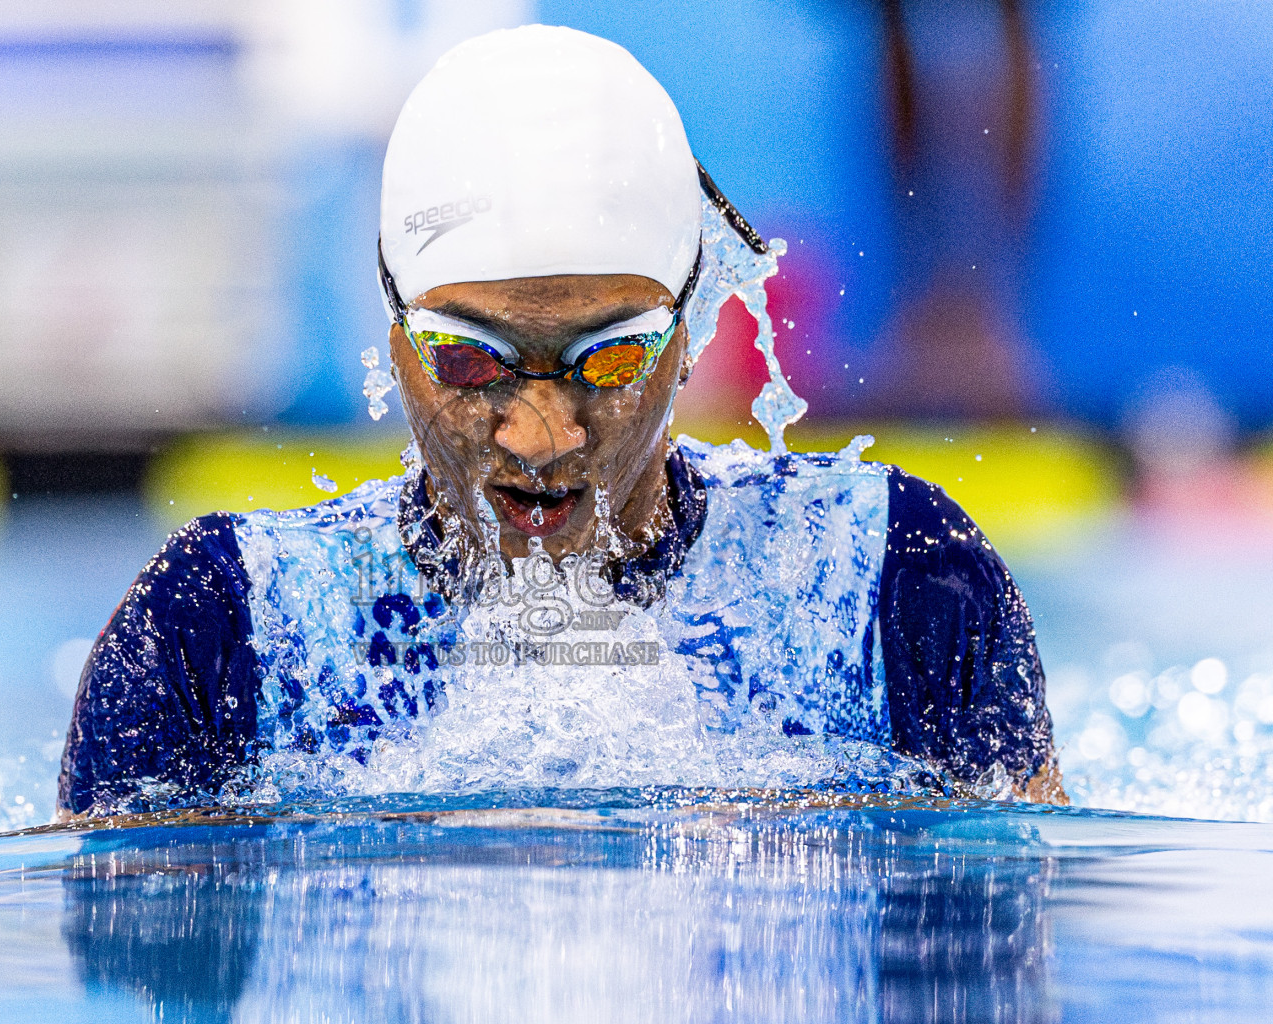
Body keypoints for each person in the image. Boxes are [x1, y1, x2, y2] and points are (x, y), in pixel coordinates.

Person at [58, 25, 1064, 819]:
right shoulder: (232, 625)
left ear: (691, 322)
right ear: (395, 330)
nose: (540, 435)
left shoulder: (890, 582)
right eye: (468, 360)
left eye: (610, 358)